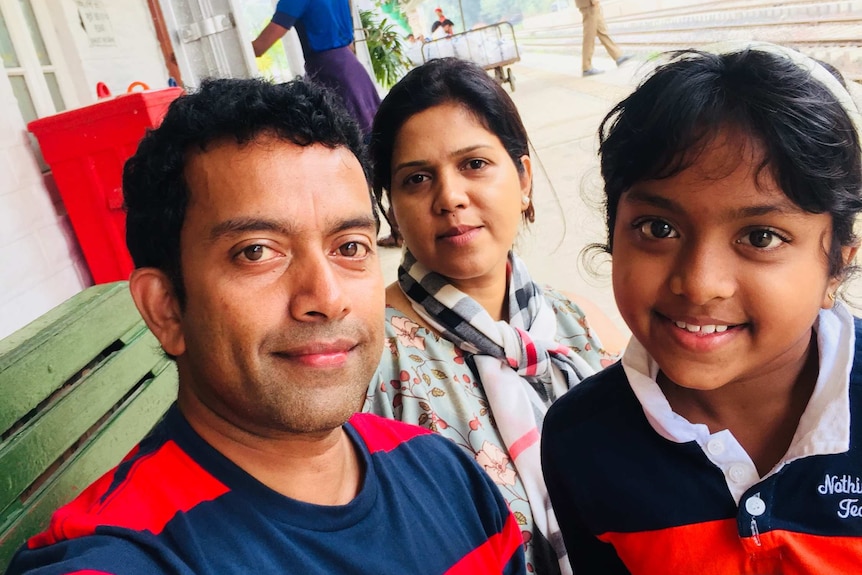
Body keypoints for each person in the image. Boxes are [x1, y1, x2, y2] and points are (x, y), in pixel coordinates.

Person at [4, 77, 527, 575]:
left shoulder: (443, 472)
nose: (326, 299)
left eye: (350, 248)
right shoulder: (129, 551)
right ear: (165, 309)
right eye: (256, 252)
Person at [542, 43, 862, 574]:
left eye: (761, 236)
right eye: (658, 228)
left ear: (835, 265)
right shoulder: (581, 443)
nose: (699, 283)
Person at [363, 57, 619, 575]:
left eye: (474, 164)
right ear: (392, 209)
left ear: (523, 177)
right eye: (417, 179)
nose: (450, 197)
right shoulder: (369, 362)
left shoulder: (579, 326)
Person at [251, 0, 380, 137]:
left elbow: (260, 47)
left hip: (329, 71)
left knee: (352, 136)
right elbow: (350, 44)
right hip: (352, 67)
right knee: (371, 131)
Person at [575, 0, 630, 76]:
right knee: (589, 36)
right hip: (589, 4)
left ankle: (618, 56)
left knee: (602, 31)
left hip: (590, 4)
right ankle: (586, 67)